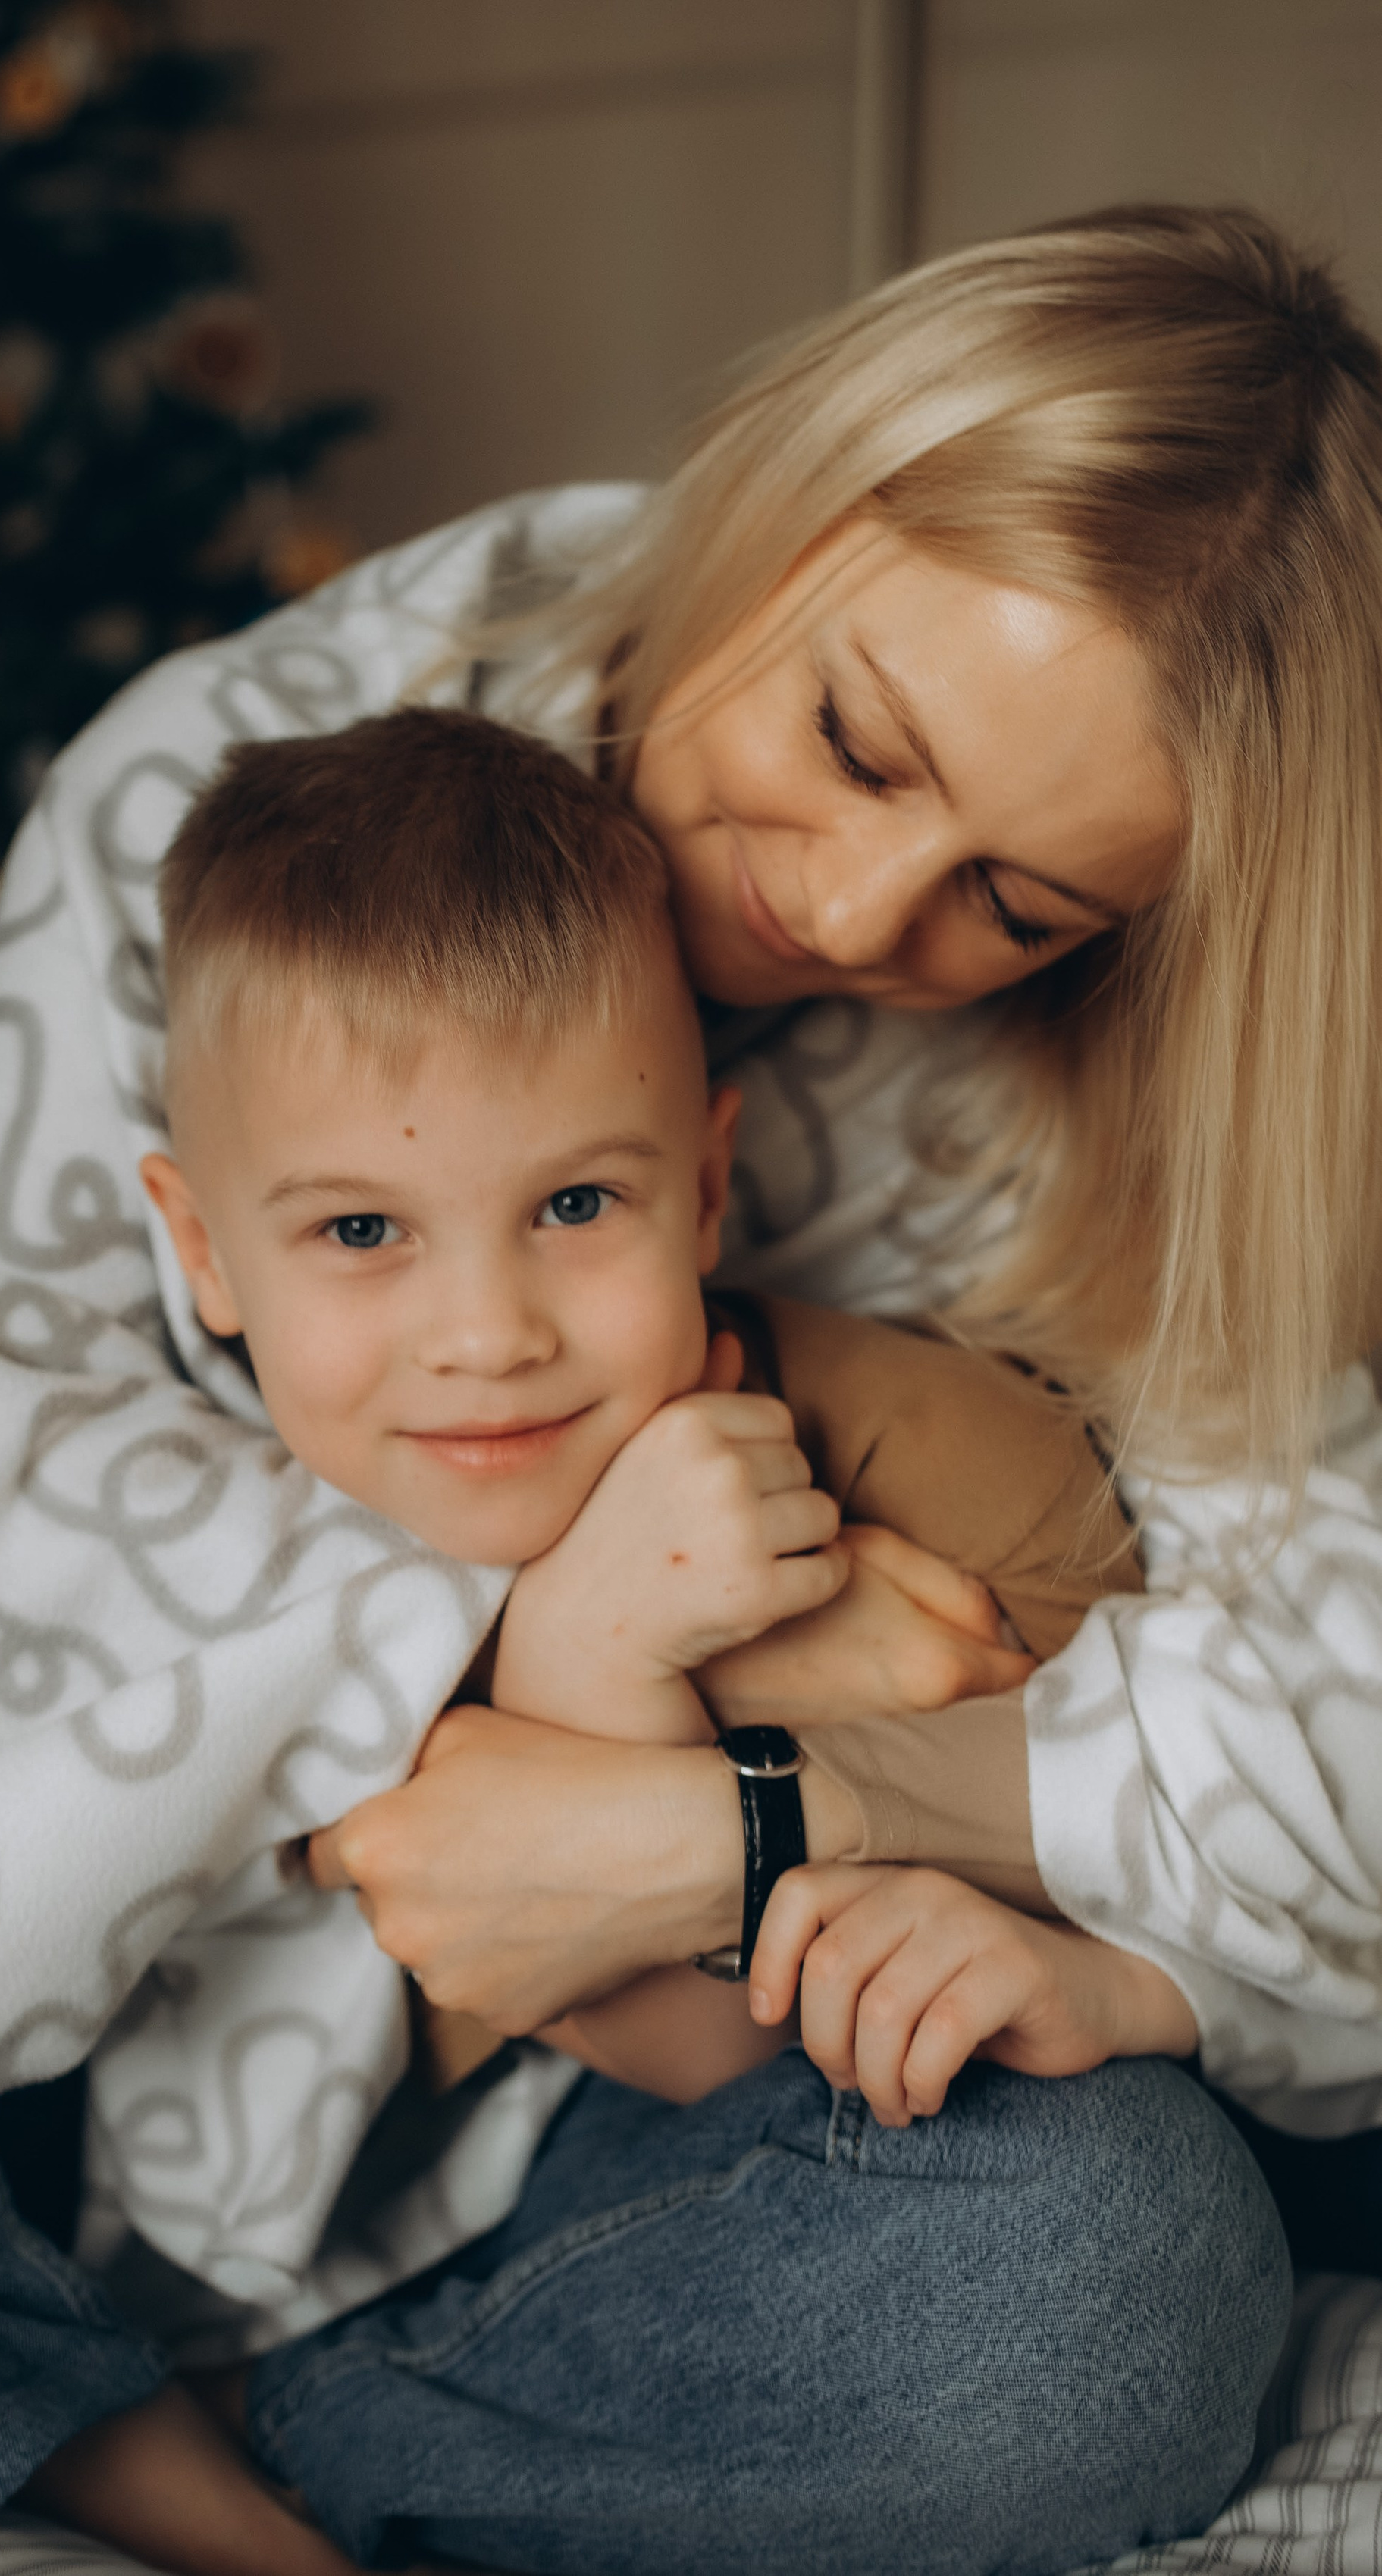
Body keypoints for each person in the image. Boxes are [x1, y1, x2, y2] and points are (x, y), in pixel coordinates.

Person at [0, 203, 1378, 2576]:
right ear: (782, 497)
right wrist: (564, 1655)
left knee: (1104, 2280)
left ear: (709, 1167)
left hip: (690, 2030)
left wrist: (787, 1802)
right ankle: (99, 2428)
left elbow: (1335, 1707)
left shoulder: (1152, 1057)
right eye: (853, 744)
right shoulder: (227, 786)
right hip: (132, 1824)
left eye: (1025, 905)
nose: (866, 917)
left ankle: (288, 2419)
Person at [136, 703, 1145, 2114]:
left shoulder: (925, 1455)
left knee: (1102, 2174)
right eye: (363, 1232)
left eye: (574, 1203)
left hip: (796, 2134)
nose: (488, 1338)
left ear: (708, 1190)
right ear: (202, 1254)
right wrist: (597, 1653)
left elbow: (715, 2067)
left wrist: (600, 1675)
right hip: (343, 2214)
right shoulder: (179, 1542)